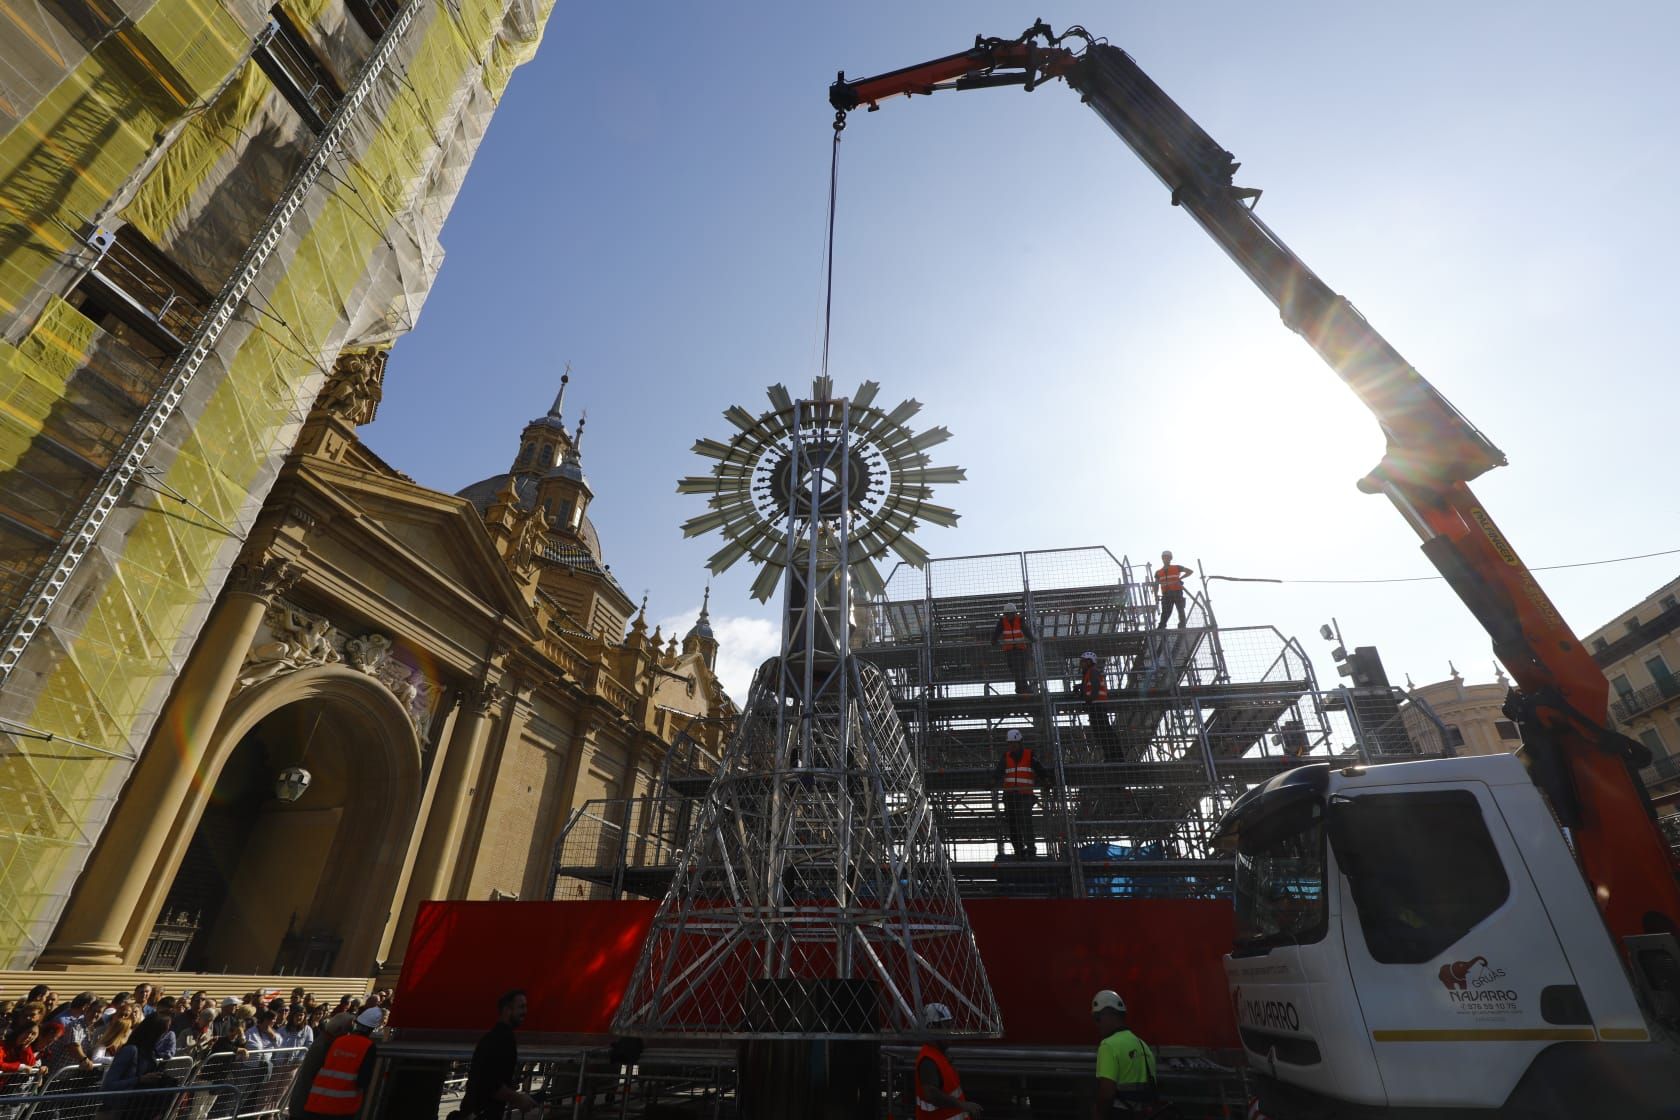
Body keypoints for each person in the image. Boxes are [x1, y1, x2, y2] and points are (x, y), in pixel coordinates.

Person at [461, 990, 539, 1120]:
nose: (525, 1012)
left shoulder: (497, 1037)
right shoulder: (502, 1039)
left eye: (526, 1007)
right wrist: (518, 1098)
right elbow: (490, 1083)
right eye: (521, 1007)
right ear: (507, 1010)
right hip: (481, 1114)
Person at [300, 1007, 382, 1118]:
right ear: (372, 1029)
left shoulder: (338, 1040)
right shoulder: (368, 1046)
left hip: (318, 1101)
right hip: (342, 1107)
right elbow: (363, 1081)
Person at [1091, 990, 1157, 1116]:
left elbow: (1106, 1094)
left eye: (1097, 1018)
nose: (1096, 1024)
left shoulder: (1109, 1045)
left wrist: (1098, 1115)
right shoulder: (1143, 1046)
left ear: (1109, 1014)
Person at [993, 729, 1050, 859]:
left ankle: (1030, 849)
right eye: (1010, 744)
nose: (1012, 746)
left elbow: (1039, 769)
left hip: (1025, 795)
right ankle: (1019, 850)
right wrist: (992, 780)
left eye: (1015, 743)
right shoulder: (1006, 756)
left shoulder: (1029, 755)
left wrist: (1046, 780)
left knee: (1025, 820)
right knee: (1013, 824)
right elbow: (999, 771)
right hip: (1009, 796)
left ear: (1020, 743)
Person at [915, 1003, 980, 1117]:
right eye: (947, 1026)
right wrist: (963, 1105)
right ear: (932, 1028)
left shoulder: (939, 1055)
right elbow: (931, 1094)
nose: (951, 1032)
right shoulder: (928, 1060)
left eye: (951, 1026)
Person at [287, 1012, 350, 1120]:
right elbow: (310, 1075)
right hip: (306, 1103)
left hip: (310, 1103)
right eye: (348, 1031)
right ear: (339, 1030)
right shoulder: (323, 1045)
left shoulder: (327, 1041)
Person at [1078, 651, 1122, 760]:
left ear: (1089, 662)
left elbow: (1095, 686)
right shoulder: (1089, 672)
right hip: (1096, 706)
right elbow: (1090, 686)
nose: (1081, 664)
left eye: (1083, 661)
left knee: (1104, 732)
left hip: (1097, 706)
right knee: (1101, 733)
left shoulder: (1092, 671)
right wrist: (1080, 687)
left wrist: (1089, 699)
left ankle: (1115, 756)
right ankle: (1111, 756)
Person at [991, 604, 1036, 695]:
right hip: (1010, 650)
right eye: (1007, 614)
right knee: (1015, 669)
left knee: (1021, 669)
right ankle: (1021, 688)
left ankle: (1022, 688)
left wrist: (1032, 638)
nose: (1009, 616)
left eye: (1011, 614)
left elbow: (1026, 630)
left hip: (1020, 649)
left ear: (1014, 613)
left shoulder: (1019, 620)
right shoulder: (1002, 622)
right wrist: (994, 640)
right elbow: (997, 632)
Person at [1155, 552, 1193, 629]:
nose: (1166, 559)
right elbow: (1156, 584)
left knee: (1180, 609)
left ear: (1170, 558)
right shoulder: (1158, 572)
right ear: (1162, 558)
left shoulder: (1177, 567)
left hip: (1177, 592)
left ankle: (1182, 625)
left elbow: (1190, 571)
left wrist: (1180, 578)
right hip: (1166, 594)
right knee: (1165, 612)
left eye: (1168, 557)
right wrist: (1155, 594)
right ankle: (1161, 626)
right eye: (1164, 557)